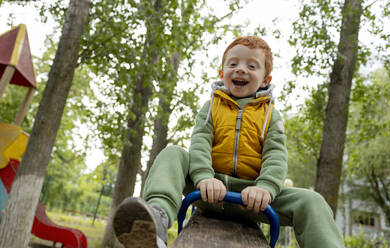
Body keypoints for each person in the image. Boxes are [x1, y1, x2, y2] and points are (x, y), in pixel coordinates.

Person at [112, 36, 345, 248]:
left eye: (251, 66)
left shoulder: (270, 115)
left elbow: (276, 156)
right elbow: (200, 142)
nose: (240, 70)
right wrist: (204, 176)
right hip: (209, 189)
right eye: (233, 64)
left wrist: (265, 188)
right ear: (222, 73)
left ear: (265, 80)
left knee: (312, 200)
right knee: (173, 153)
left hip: (252, 196)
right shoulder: (212, 106)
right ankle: (157, 218)